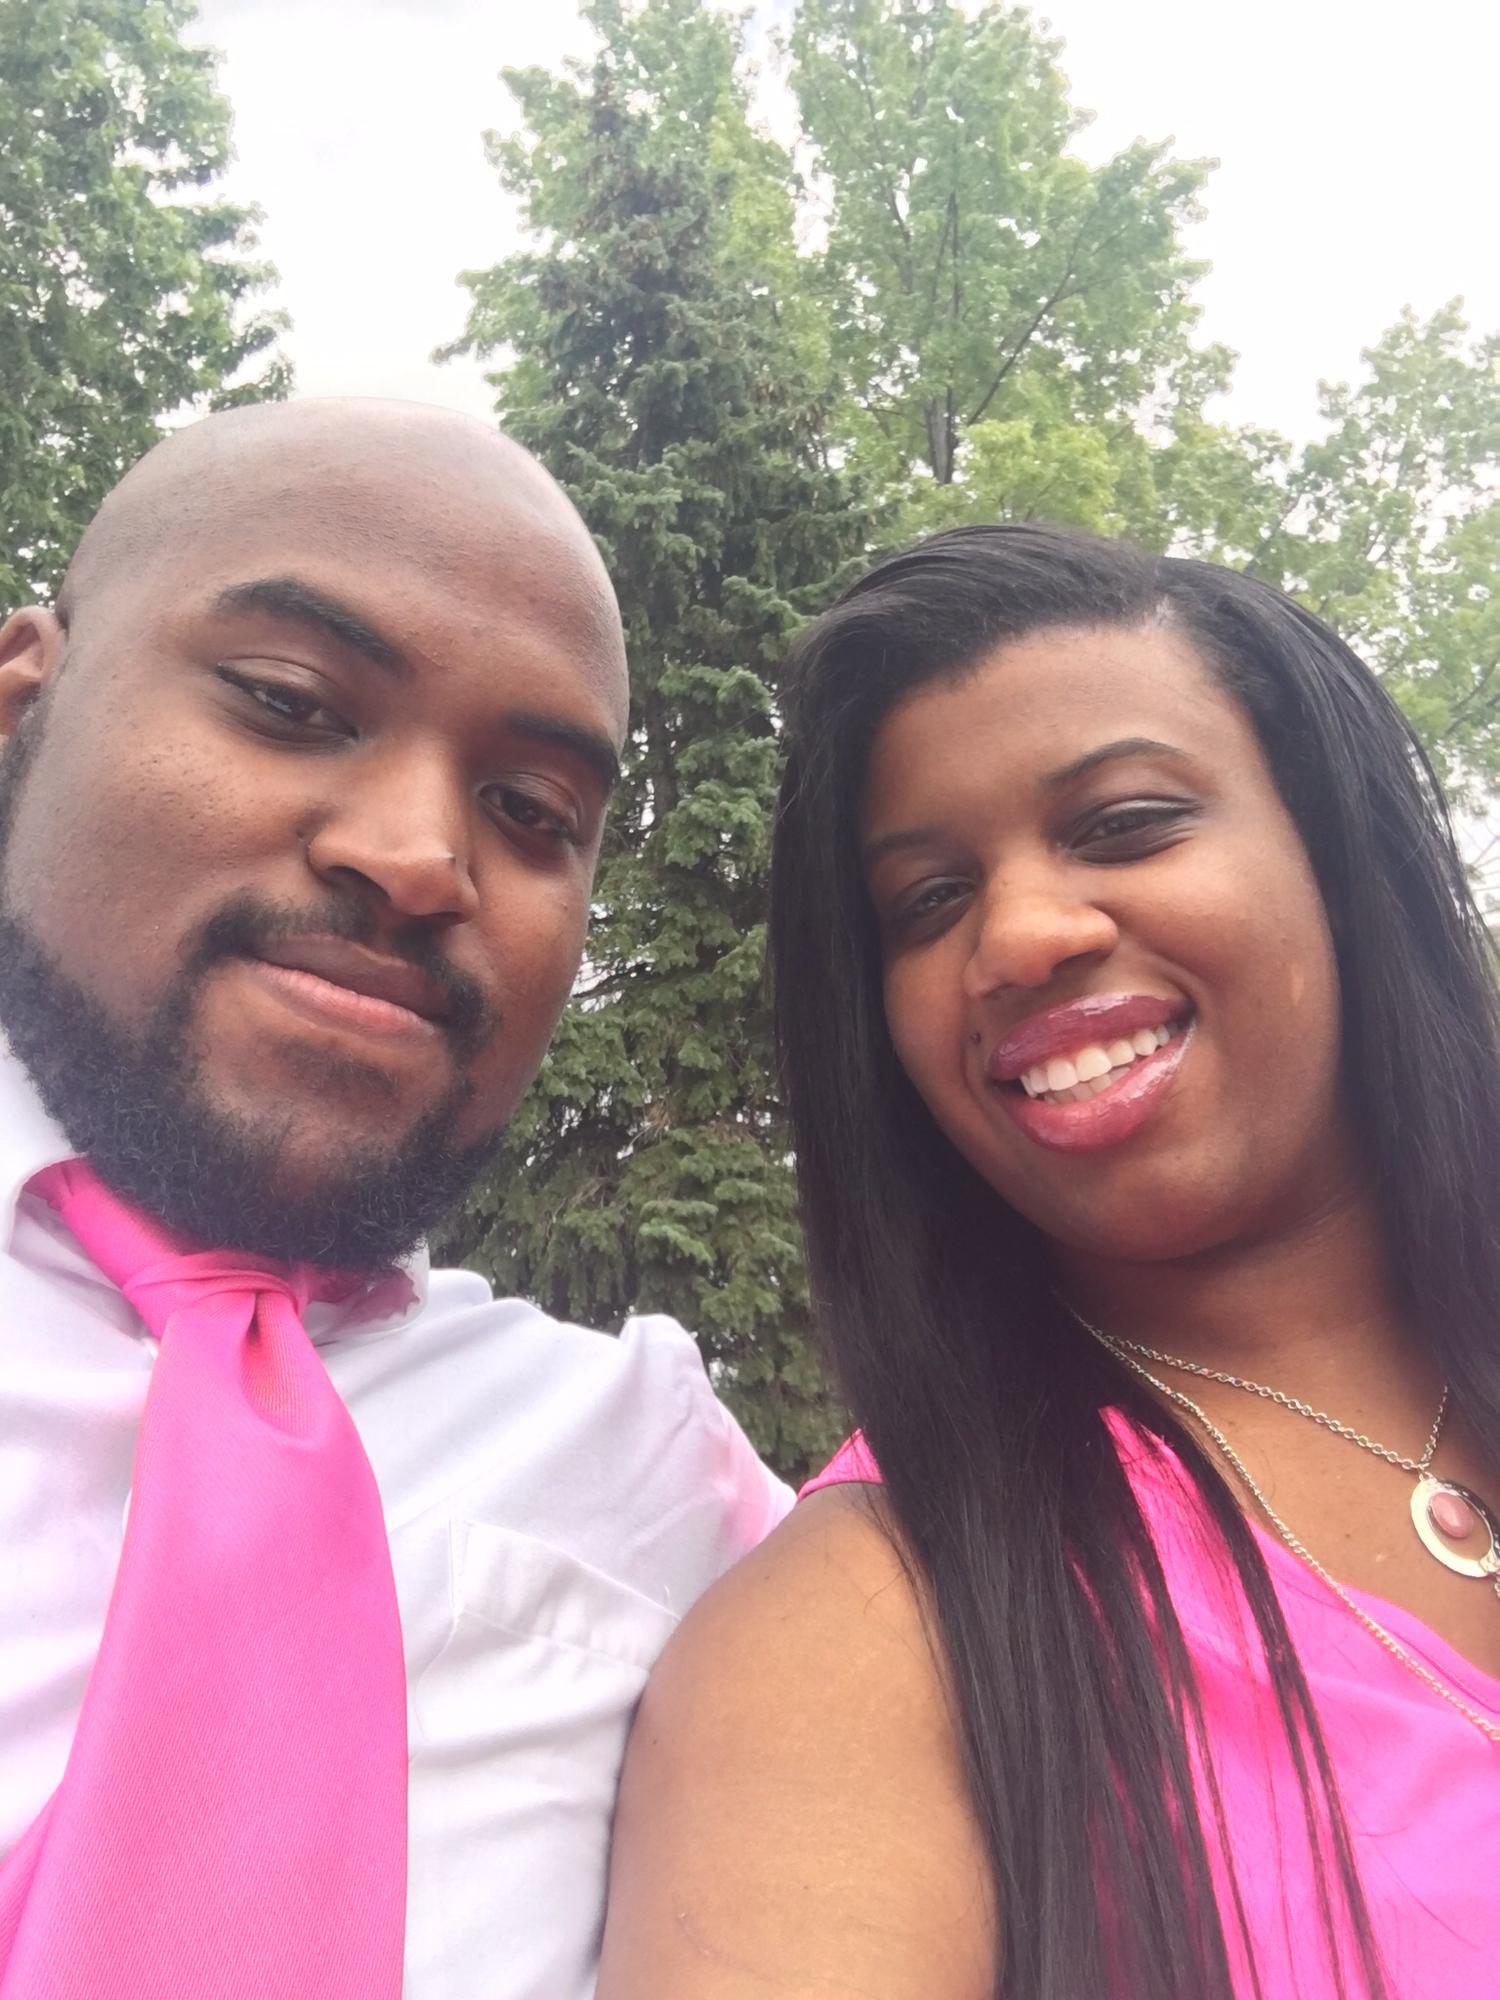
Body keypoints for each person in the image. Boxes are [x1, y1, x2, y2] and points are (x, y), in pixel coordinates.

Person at [597, 524, 1500, 1999]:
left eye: (1126, 824)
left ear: (1342, 864)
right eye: (928, 902)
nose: (1017, 936)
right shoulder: (871, 1636)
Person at [0, 399, 789, 2000]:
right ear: (25, 708)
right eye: (293, 704)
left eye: (533, 813)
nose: (422, 856)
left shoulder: (653, 1466)